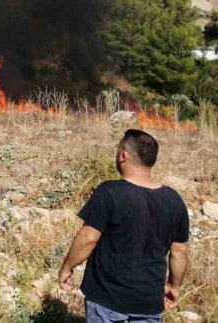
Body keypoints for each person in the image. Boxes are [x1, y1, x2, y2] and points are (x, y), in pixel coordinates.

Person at [59, 129, 189, 322]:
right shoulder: (174, 200)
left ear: (123, 155)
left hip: (107, 301)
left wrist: (67, 267)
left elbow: (88, 238)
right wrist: (174, 286)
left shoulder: (109, 192)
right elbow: (179, 252)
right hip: (149, 305)